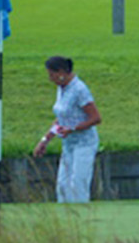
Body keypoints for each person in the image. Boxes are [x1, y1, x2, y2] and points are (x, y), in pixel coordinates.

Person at [33, 56, 102, 203]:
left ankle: (82, 213)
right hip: (68, 144)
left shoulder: (79, 89)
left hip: (84, 144)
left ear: (61, 72)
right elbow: (61, 119)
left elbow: (96, 118)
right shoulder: (61, 89)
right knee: (63, 185)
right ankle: (66, 215)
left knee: (78, 183)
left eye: (52, 75)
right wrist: (45, 140)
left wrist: (72, 128)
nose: (50, 79)